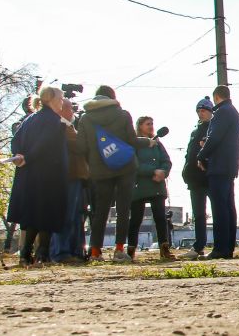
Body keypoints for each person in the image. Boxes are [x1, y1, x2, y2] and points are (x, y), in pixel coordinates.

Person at [76, 85, 149, 263]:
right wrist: (147, 142)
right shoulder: (123, 115)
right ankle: (119, 250)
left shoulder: (85, 119)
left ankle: (95, 252)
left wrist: (92, 161)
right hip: (125, 167)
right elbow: (131, 140)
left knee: (100, 210)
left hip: (100, 171)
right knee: (123, 210)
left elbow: (81, 147)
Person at [8, 86, 69, 266]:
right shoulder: (54, 121)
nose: (62, 101)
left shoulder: (30, 119)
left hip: (29, 174)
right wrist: (29, 157)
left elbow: (15, 140)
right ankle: (43, 254)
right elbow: (45, 143)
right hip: (48, 173)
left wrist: (19, 156)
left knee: (32, 214)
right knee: (47, 213)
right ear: (50, 99)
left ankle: (26, 254)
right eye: (60, 98)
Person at [197, 85, 239, 260]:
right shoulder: (233, 112)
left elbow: (214, 137)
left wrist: (201, 155)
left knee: (219, 208)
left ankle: (220, 248)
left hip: (219, 166)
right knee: (228, 207)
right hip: (229, 165)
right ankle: (228, 247)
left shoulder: (222, 113)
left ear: (216, 98)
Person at [127, 115, 174, 262]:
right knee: (135, 219)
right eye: (148, 124)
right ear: (140, 126)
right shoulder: (135, 144)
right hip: (139, 185)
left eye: (152, 123)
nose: (151, 126)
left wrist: (163, 172)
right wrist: (152, 171)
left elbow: (167, 161)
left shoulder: (158, 143)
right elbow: (133, 165)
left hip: (156, 185)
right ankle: (131, 250)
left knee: (160, 217)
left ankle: (164, 248)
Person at [49, 99, 88, 263]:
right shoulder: (61, 127)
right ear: (62, 109)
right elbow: (79, 146)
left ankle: (74, 250)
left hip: (76, 175)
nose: (73, 112)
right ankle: (61, 252)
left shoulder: (68, 126)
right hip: (68, 176)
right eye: (70, 108)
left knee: (75, 216)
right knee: (66, 215)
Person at [181, 97, 213, 259]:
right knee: (198, 214)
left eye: (204, 111)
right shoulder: (196, 131)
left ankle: (218, 244)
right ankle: (199, 245)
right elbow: (189, 155)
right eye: (199, 111)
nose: (201, 114)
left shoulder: (212, 129)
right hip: (194, 178)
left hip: (207, 177)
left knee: (216, 211)